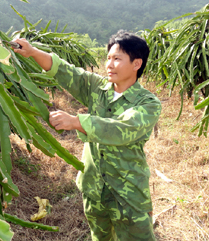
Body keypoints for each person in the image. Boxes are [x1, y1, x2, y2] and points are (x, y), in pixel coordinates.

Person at [13, 30, 161, 241]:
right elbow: (66, 71)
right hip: (94, 188)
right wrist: (33, 52)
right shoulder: (97, 88)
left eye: (117, 59)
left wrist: (76, 121)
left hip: (127, 194)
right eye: (108, 58)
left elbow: (122, 129)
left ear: (137, 64)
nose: (109, 65)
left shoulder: (148, 103)